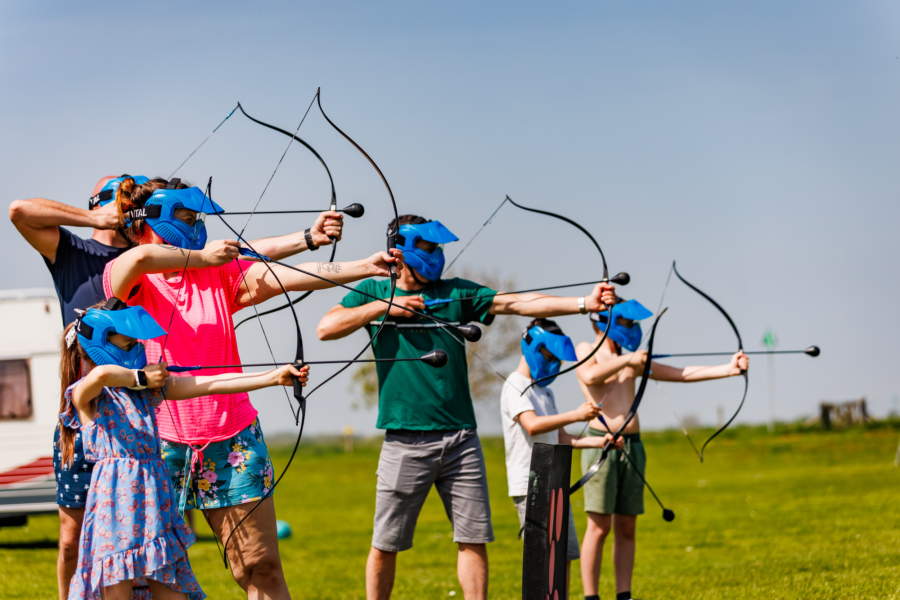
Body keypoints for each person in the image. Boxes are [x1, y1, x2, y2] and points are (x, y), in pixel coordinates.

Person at [104, 177, 399, 599]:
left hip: (232, 437)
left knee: (260, 567)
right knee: (154, 576)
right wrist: (203, 256)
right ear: (153, 219)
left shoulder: (218, 274)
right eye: (188, 218)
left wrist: (362, 267)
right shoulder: (129, 276)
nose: (197, 227)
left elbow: (290, 275)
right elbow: (144, 257)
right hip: (156, 442)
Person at [316, 214, 617, 600]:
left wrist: (582, 303)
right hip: (404, 438)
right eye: (427, 247)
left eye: (438, 248)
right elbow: (326, 327)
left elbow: (517, 303)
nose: (436, 255)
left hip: (461, 437)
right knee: (386, 541)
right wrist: (383, 308)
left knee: (474, 538)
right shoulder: (373, 291)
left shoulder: (456, 293)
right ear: (402, 249)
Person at [59, 298, 309, 599]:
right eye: (129, 343)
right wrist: (142, 377)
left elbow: (210, 384)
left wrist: (272, 377)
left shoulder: (149, 391)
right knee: (118, 590)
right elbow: (100, 376)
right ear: (100, 344)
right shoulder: (88, 395)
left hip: (154, 503)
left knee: (171, 589)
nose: (138, 350)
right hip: (115, 506)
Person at [575, 299, 749, 600]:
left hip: (633, 445)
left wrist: (729, 369)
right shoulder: (584, 350)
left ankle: (623, 595)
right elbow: (590, 376)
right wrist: (630, 361)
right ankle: (591, 597)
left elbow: (680, 373)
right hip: (601, 446)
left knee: (627, 526)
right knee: (599, 527)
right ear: (602, 322)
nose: (633, 328)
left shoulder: (633, 359)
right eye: (627, 323)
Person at [500, 318, 622, 598]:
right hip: (530, 484)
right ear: (533, 346)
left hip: (554, 482)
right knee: (542, 559)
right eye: (550, 356)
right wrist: (576, 414)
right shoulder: (515, 384)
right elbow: (531, 425)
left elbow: (562, 437)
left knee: (564, 555)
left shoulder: (545, 391)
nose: (554, 363)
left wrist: (602, 441)